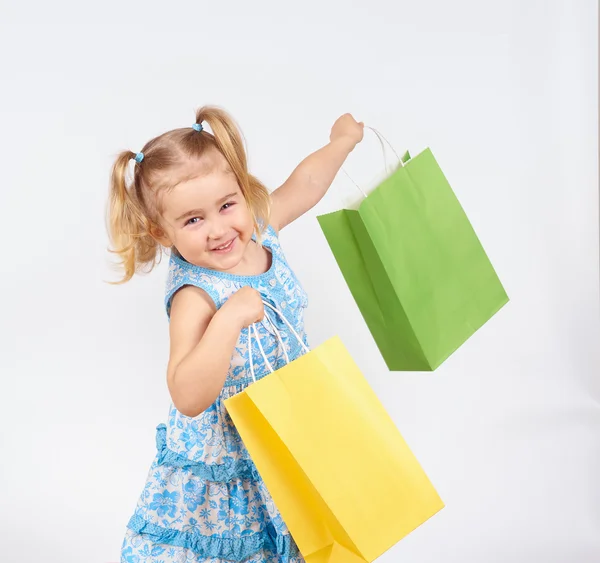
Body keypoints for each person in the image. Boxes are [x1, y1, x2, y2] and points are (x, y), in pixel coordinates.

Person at [108, 105, 363, 562]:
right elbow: (187, 395)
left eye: (227, 205)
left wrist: (340, 143)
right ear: (160, 232)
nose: (219, 229)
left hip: (289, 431)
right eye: (192, 220)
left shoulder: (262, 234)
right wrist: (226, 320)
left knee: (304, 537)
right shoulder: (196, 294)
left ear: (244, 193)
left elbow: (303, 186)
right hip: (229, 459)